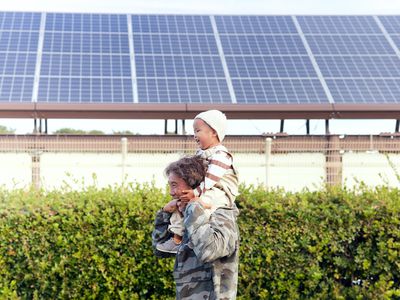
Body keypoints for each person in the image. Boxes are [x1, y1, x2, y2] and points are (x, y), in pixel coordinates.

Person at [152, 155, 240, 299]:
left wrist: (194, 207)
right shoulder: (185, 216)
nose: (171, 192)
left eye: (174, 185)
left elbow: (209, 251)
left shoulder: (222, 213)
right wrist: (164, 215)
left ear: (191, 184)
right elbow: (160, 250)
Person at [156, 109, 239, 254]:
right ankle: (177, 238)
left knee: (198, 204)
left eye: (198, 131)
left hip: (219, 192)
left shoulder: (221, 155)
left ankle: (206, 208)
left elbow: (210, 180)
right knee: (182, 204)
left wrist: (195, 194)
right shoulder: (200, 153)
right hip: (203, 190)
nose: (194, 136)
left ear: (214, 132)